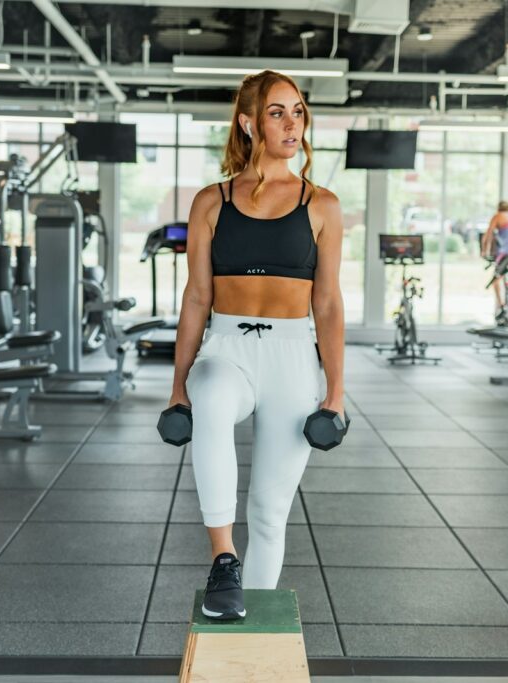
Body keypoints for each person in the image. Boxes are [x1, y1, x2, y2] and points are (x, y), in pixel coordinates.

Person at [167, 70, 345, 620]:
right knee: (213, 396)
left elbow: (330, 304)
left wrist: (336, 392)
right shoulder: (211, 202)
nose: (292, 123)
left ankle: (251, 618)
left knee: (270, 511)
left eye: (297, 110)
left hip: (293, 357)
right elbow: (197, 298)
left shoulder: (322, 204)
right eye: (277, 112)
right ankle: (224, 557)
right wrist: (178, 386)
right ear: (248, 122)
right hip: (227, 346)